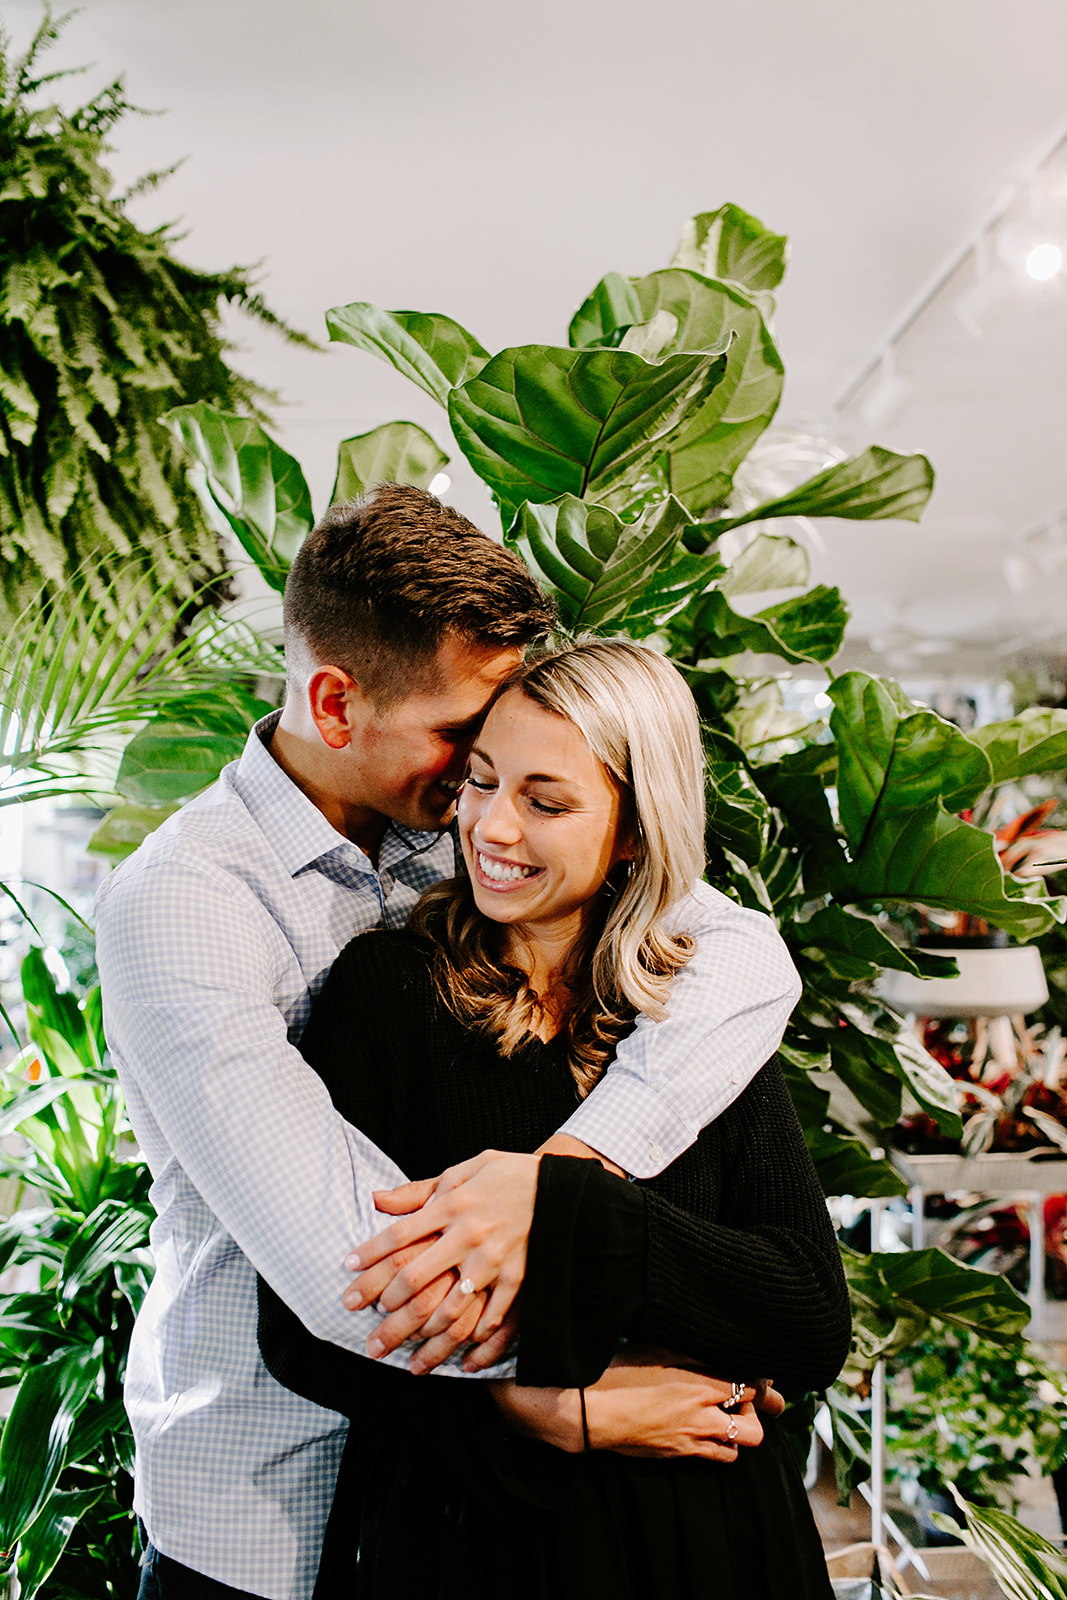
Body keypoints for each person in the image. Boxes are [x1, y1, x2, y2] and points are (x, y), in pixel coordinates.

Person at [95, 486, 802, 1600]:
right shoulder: (188, 906)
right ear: (335, 702)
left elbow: (743, 953)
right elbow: (351, 1267)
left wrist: (567, 1177)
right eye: (463, 743)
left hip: (454, 1514)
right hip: (266, 1498)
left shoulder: (454, 835)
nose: (486, 789)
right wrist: (564, 1399)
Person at [259, 638, 850, 1599]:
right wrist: (548, 1408)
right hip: (473, 1539)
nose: (491, 826)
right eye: (481, 782)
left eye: (546, 801)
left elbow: (807, 1315)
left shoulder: (697, 1006)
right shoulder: (390, 992)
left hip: (711, 1544)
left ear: (631, 830)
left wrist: (556, 1207)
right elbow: (307, 1329)